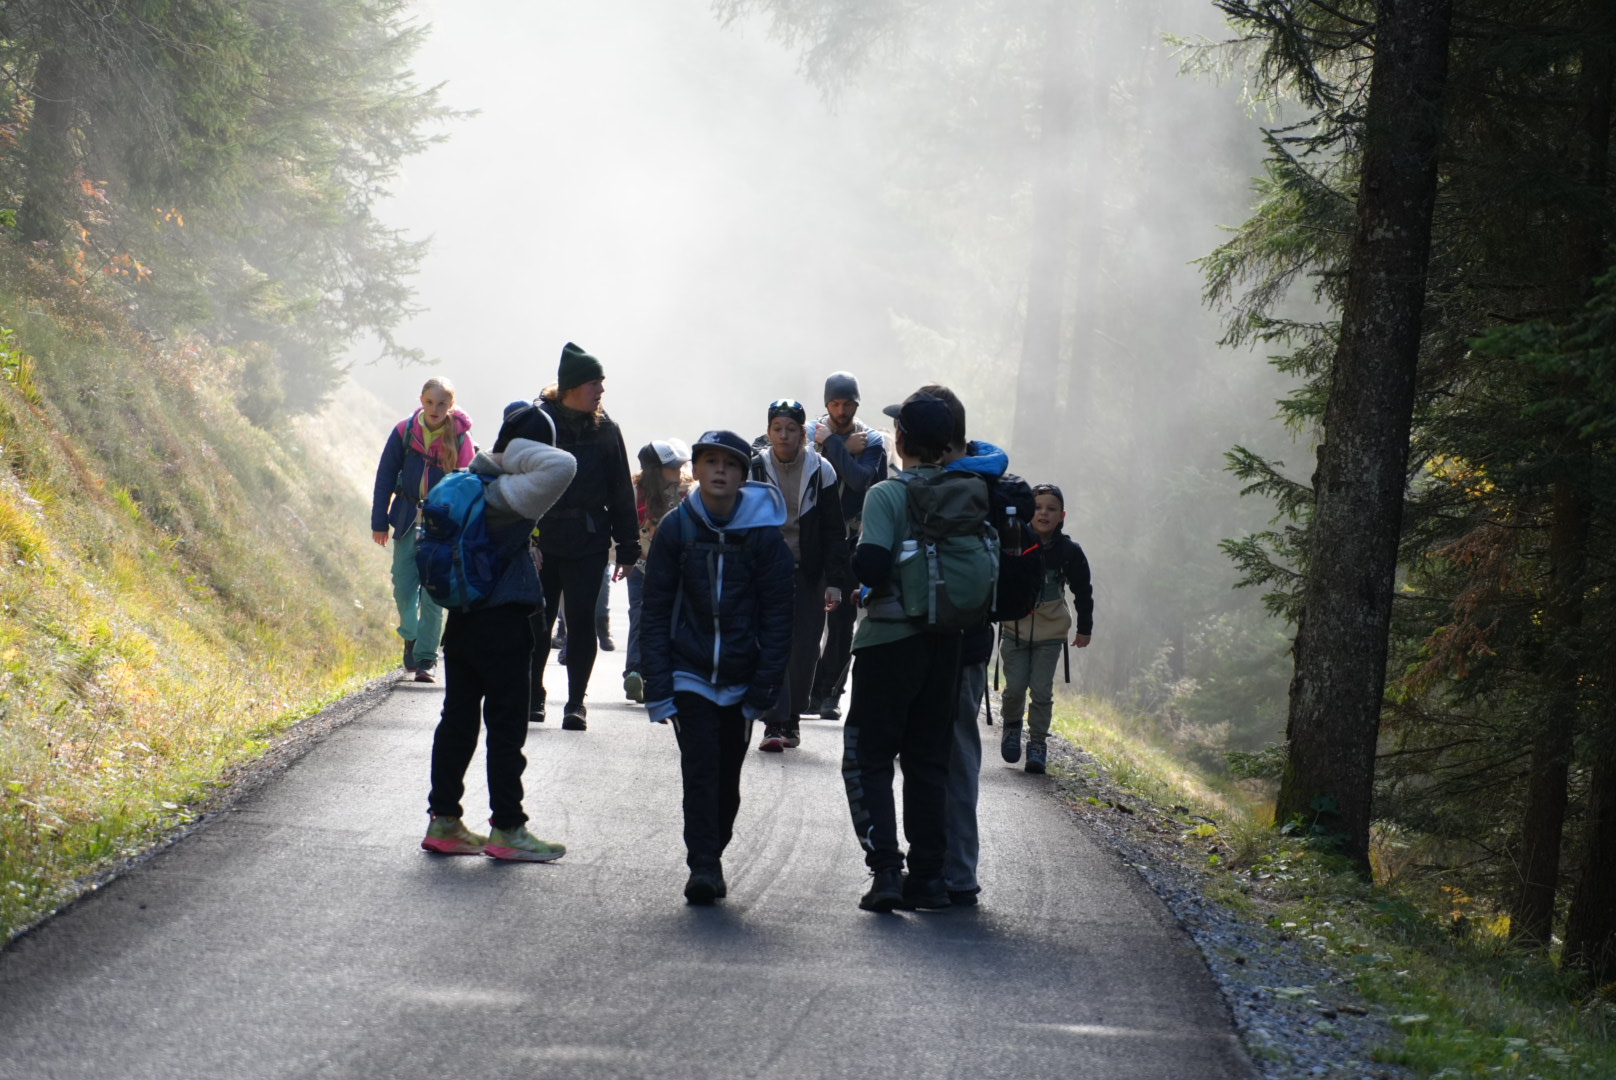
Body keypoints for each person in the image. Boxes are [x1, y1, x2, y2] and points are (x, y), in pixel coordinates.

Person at [640, 431, 794, 903]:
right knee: (701, 770)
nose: (720, 471)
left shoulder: (764, 537)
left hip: (741, 676)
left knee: (727, 779)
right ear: (698, 470)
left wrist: (765, 685)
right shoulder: (676, 528)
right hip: (689, 674)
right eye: (710, 462)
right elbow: (655, 609)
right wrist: (658, 685)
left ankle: (713, 850)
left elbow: (778, 614)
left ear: (744, 476)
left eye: (730, 464)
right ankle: (703, 865)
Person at [421, 403, 576, 861]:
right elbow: (564, 464)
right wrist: (519, 451)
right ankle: (508, 828)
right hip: (504, 623)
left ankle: (444, 821)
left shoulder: (471, 479)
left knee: (457, 722)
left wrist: (502, 451)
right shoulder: (512, 493)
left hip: (463, 622)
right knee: (506, 730)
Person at [841, 390, 967, 912]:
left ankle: (887, 870)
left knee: (867, 758)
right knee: (927, 762)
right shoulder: (968, 492)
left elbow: (870, 567)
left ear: (901, 440)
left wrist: (857, 565)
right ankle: (931, 879)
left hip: (889, 642)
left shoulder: (887, 495)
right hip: (947, 645)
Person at [530, 342, 640, 730]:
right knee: (536, 622)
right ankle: (533, 694)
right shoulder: (539, 424)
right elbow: (515, 481)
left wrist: (628, 548)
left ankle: (576, 703)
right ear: (574, 386)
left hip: (589, 541)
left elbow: (621, 491)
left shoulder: (607, 430)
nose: (601, 391)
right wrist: (524, 539)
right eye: (596, 383)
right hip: (542, 542)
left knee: (580, 622)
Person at [749, 399, 848, 752]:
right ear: (768, 431)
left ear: (803, 434)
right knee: (772, 643)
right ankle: (774, 722)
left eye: (791, 429)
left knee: (804, 648)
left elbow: (836, 532)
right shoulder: (756, 470)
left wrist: (835, 581)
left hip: (810, 571)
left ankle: (792, 717)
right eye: (777, 428)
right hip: (768, 571)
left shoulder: (822, 471)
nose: (784, 435)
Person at [369, 377, 474, 684]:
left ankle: (426, 659)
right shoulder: (404, 431)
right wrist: (378, 522)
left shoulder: (461, 438)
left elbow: (467, 486)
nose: (434, 409)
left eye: (441, 403)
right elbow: (385, 475)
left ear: (451, 405)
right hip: (404, 520)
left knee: (433, 593)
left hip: (441, 527)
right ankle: (411, 636)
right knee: (403, 586)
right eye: (429, 402)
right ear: (421, 400)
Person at [806, 371, 889, 720]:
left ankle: (829, 694)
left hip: (854, 539)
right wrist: (836, 450)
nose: (842, 410)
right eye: (836, 403)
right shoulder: (808, 433)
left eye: (848, 403)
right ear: (827, 404)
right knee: (808, 617)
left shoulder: (871, 440)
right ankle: (805, 688)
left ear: (857, 403)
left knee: (842, 621)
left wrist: (834, 447)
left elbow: (860, 480)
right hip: (815, 537)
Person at [999, 483, 1094, 774]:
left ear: (1061, 515)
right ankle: (1012, 726)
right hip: (1015, 628)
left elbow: (1082, 590)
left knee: (1041, 690)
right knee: (1014, 688)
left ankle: (1038, 743)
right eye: (1038, 507)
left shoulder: (1069, 551)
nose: (1043, 513)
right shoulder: (1013, 541)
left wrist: (1084, 628)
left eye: (1051, 509)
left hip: (1051, 633)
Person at [624, 439, 693, 704]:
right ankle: (635, 672)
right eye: (671, 465)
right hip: (641, 566)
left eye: (679, 464)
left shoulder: (689, 490)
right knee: (640, 614)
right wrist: (623, 559)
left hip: (678, 568)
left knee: (675, 618)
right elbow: (623, 526)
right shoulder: (634, 491)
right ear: (654, 469)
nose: (678, 469)